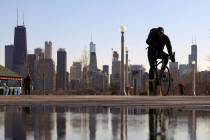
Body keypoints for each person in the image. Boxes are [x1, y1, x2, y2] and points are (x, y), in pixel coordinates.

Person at [146, 27, 175, 92]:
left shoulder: (166, 38)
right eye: (159, 33)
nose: (160, 34)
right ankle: (151, 84)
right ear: (157, 32)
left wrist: (172, 57)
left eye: (161, 33)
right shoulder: (153, 34)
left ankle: (161, 73)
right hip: (152, 51)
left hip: (159, 51)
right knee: (152, 65)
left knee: (166, 57)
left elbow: (169, 48)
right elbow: (147, 41)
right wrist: (154, 43)